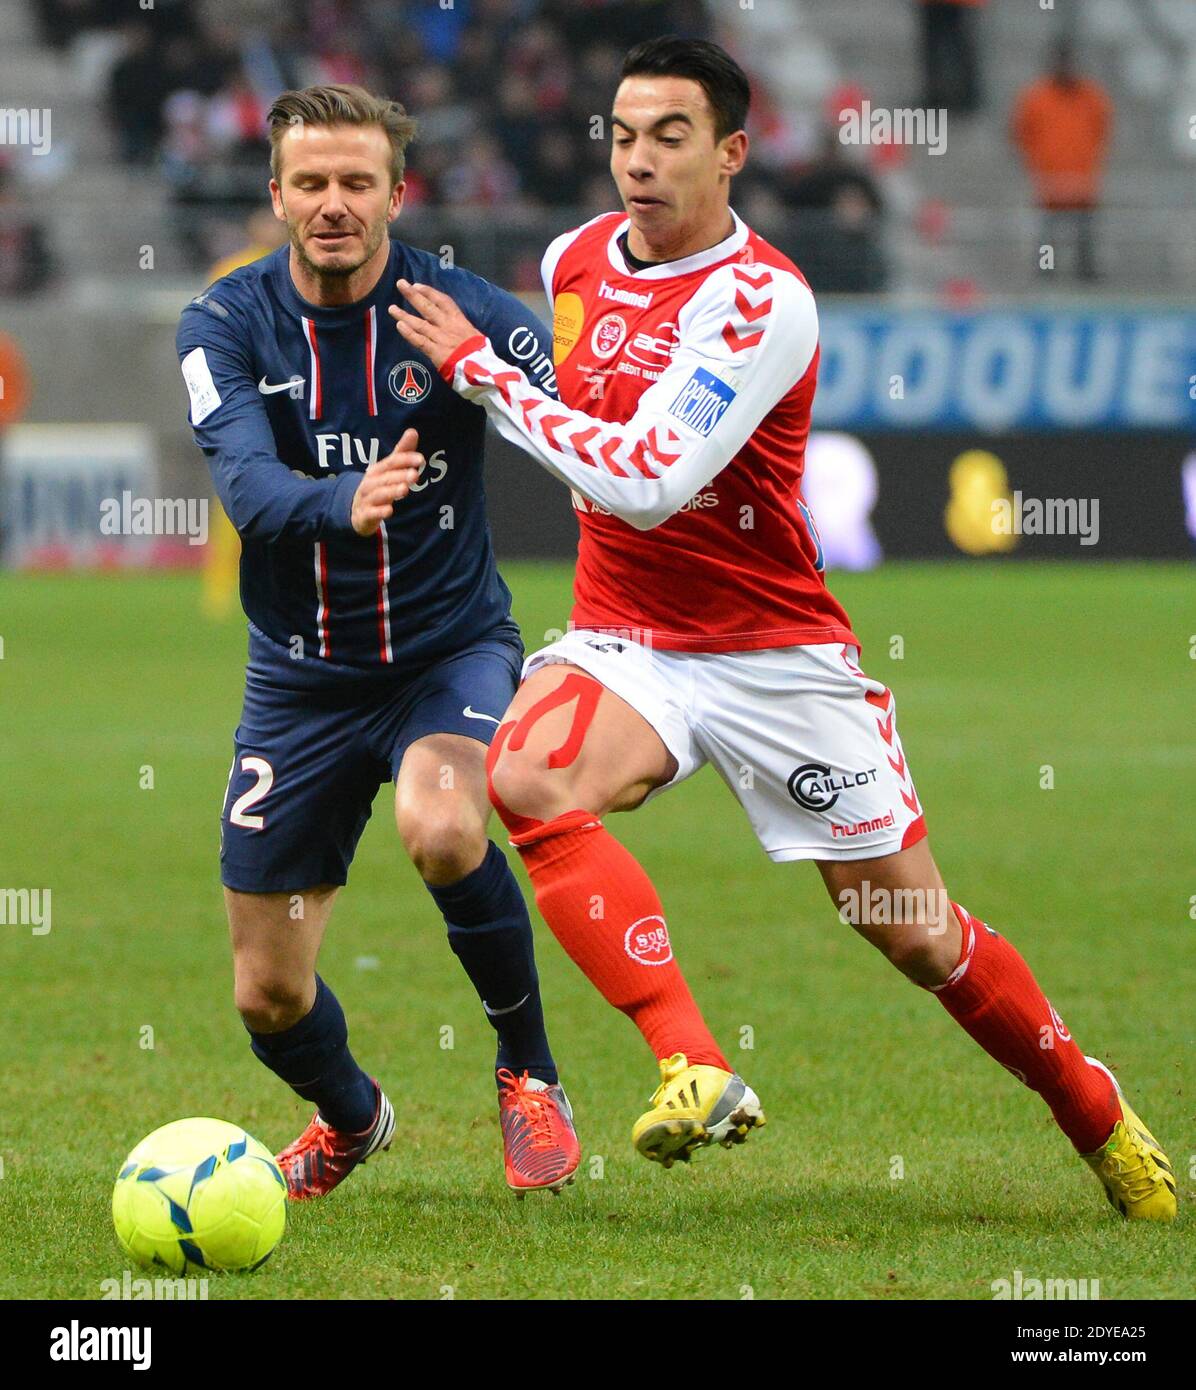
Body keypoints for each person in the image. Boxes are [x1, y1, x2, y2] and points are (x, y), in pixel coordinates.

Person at [390, 39, 1176, 1220]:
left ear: (730, 153)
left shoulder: (762, 302)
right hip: (626, 638)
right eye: (621, 134)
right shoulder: (572, 260)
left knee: (912, 933)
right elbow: (571, 421)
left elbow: (649, 479)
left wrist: (486, 378)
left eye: (669, 136)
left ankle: (1094, 1110)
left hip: (774, 655)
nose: (637, 160)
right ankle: (692, 1062)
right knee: (527, 775)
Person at [176, 83, 579, 1200]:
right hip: (300, 680)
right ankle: (351, 1118)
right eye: (310, 182)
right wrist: (338, 500)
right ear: (276, 195)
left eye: (358, 182)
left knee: (441, 826)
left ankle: (529, 1074)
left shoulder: (462, 311)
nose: (334, 204)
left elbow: (585, 433)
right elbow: (247, 487)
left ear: (399, 195)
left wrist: (495, 371)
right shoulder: (222, 323)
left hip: (448, 653)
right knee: (266, 995)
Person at [1011, 40, 1112, 282]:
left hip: (1082, 181)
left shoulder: (1091, 97)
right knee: (1048, 233)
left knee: (1084, 233)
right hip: (1049, 181)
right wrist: (1038, 163)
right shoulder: (1036, 98)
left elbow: (1102, 129)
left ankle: (1086, 272)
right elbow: (1022, 133)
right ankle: (1046, 270)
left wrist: (1087, 161)